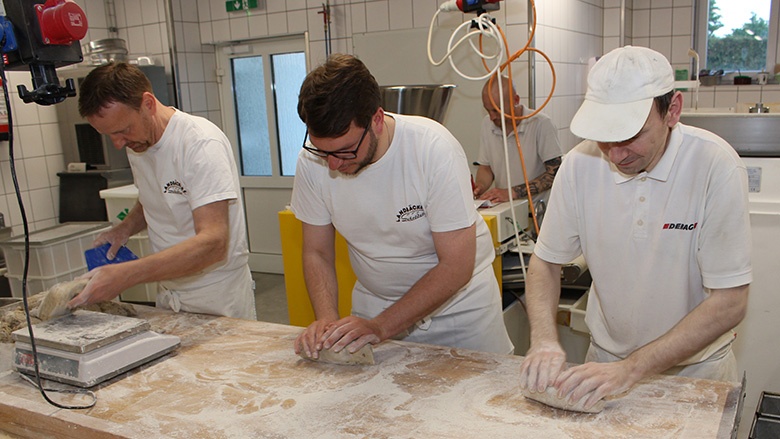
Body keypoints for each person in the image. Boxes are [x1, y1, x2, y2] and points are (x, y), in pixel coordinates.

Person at [518, 46, 751, 410]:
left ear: (672, 110)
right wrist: (545, 339)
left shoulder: (714, 166)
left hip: (695, 372)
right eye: (605, 138)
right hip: (606, 364)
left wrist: (633, 369)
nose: (615, 154)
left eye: (630, 136)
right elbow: (545, 263)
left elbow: (730, 301)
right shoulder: (579, 164)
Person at [291, 54, 513, 359]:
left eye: (345, 150)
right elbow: (316, 251)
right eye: (322, 151)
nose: (332, 163)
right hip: (375, 305)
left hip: (459, 313)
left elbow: (456, 266)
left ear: (377, 120)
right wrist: (328, 321)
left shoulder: (433, 150)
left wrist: (381, 326)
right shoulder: (312, 162)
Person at [68, 62, 256, 320]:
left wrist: (128, 274)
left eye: (123, 130)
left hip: (216, 293)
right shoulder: (138, 143)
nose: (118, 143)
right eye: (108, 135)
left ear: (148, 103)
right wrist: (124, 228)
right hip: (169, 289)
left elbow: (214, 242)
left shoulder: (199, 144)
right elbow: (154, 197)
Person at [473, 74, 562, 205]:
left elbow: (554, 174)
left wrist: (512, 192)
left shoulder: (540, 124)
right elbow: (486, 168)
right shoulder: (487, 124)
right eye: (488, 110)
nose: (492, 117)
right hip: (507, 209)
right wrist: (480, 187)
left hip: (538, 212)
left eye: (497, 111)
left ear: (515, 100)